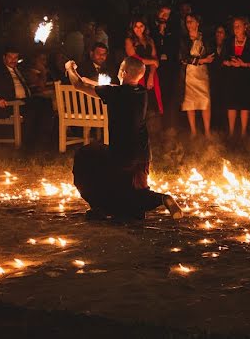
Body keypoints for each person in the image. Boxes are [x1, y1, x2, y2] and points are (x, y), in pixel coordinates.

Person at [64, 56, 183, 221]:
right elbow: (112, 87)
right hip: (143, 154)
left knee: (86, 156)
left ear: (124, 72)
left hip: (121, 155)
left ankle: (100, 207)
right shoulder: (141, 92)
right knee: (137, 192)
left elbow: (78, 85)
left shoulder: (114, 93)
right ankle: (162, 199)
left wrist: (70, 68)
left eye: (120, 68)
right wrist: (91, 81)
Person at [0, 46, 51, 149]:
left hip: (24, 101)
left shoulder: (19, 69)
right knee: (33, 110)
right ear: (4, 58)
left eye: (16, 57)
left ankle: (43, 141)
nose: (13, 60)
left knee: (46, 103)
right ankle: (28, 145)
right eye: (10, 57)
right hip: (10, 105)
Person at [178, 13, 214, 138]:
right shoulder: (184, 39)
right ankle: (193, 131)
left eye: (191, 21)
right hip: (189, 73)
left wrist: (207, 59)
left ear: (197, 23)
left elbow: (211, 54)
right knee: (190, 102)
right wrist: (201, 60)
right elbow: (183, 58)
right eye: (187, 22)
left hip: (202, 73)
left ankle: (207, 131)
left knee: (205, 101)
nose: (189, 24)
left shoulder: (205, 38)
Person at [222, 17, 250, 137]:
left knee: (244, 105)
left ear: (245, 27)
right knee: (231, 104)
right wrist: (228, 62)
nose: (236, 28)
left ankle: (243, 134)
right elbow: (222, 58)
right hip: (231, 77)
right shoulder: (228, 42)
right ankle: (231, 133)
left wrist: (243, 64)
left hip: (245, 78)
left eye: (239, 26)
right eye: (234, 26)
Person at [151, 4, 179, 130]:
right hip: (155, 67)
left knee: (168, 97)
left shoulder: (172, 28)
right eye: (163, 13)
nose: (164, 16)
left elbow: (175, 46)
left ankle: (169, 127)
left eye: (167, 14)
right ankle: (155, 127)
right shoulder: (151, 28)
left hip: (169, 68)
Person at [125, 18, 161, 115]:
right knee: (138, 103)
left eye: (141, 26)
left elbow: (155, 59)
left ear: (145, 27)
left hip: (150, 72)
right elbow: (134, 59)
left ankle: (153, 127)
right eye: (136, 26)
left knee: (152, 101)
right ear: (132, 27)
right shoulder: (129, 40)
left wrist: (151, 75)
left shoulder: (149, 40)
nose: (138, 29)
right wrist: (152, 61)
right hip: (136, 73)